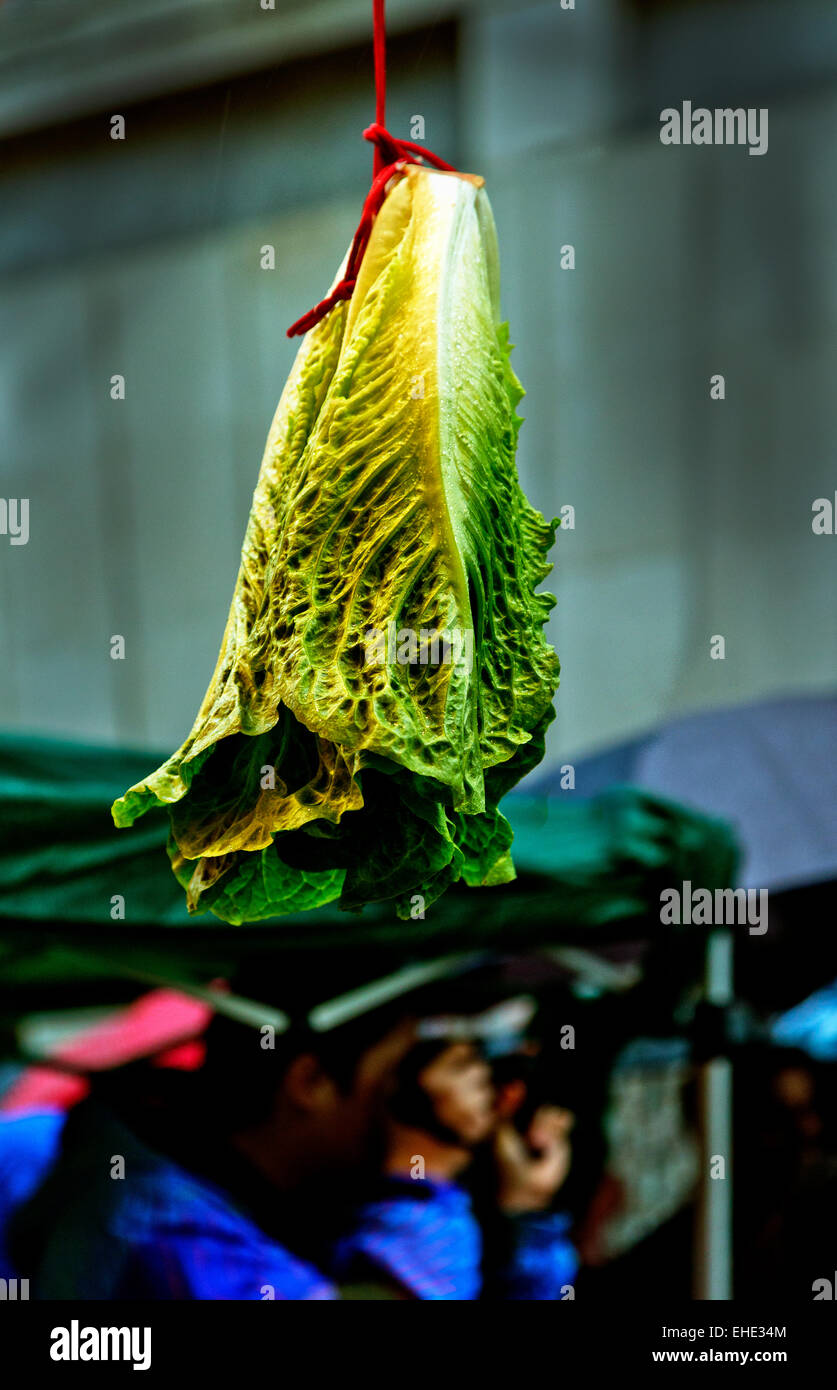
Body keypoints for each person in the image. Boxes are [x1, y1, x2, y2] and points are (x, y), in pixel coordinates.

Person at [332, 1027, 579, 1299]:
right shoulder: (404, 1225)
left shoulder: (451, 1204)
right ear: (394, 1085)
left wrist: (528, 1205)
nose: (484, 1076)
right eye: (460, 1065)